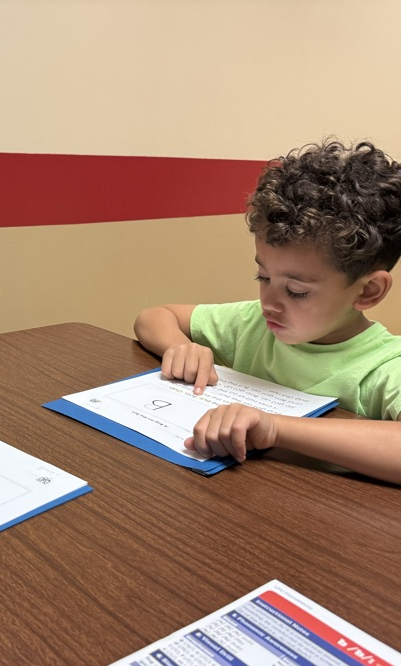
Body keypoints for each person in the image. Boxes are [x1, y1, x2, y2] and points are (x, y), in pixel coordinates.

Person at [133, 139, 401, 485]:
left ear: (368, 291)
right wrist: (177, 347)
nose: (269, 302)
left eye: (296, 291)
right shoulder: (253, 324)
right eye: (263, 276)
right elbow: (154, 316)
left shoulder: (385, 366)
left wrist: (274, 427)